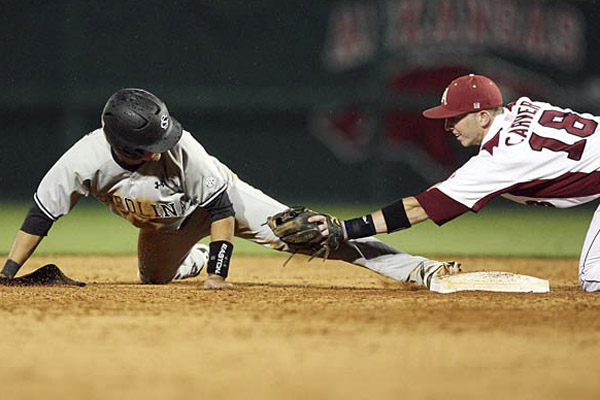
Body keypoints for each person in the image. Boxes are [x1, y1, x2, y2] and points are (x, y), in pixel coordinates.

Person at [1, 88, 458, 289]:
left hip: (224, 203)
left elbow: (220, 207)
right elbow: (42, 214)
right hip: (165, 229)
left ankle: (420, 270)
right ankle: (191, 259)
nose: (164, 147)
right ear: (123, 144)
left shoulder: (184, 149)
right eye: (151, 144)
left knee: (313, 236)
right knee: (153, 280)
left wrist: (219, 271)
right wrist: (8, 272)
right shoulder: (83, 161)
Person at [309, 73, 600, 292]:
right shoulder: (521, 107)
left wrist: (346, 229)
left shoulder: (500, 159)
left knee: (593, 278)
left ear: (484, 117)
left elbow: (418, 208)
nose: (448, 126)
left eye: (456, 118)